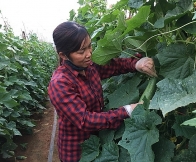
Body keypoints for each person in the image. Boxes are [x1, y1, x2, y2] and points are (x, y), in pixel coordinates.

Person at [48, 21, 157, 162]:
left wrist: (137, 63)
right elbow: (85, 120)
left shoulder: (88, 66)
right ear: (63, 55)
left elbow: (115, 66)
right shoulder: (60, 83)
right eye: (81, 51)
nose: (89, 54)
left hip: (100, 139)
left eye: (89, 46)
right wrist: (127, 110)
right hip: (77, 151)